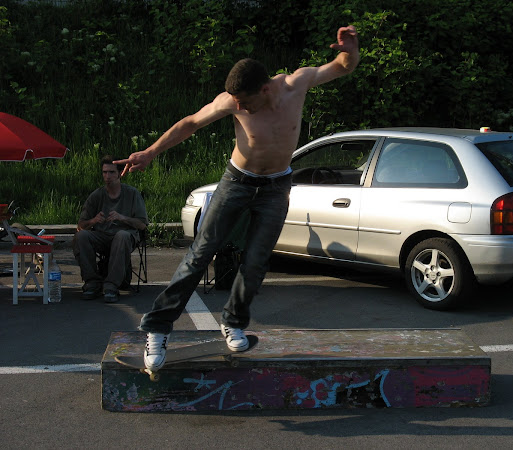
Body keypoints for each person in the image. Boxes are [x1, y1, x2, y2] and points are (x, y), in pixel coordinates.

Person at [115, 25, 359, 371]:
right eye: (236, 103)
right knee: (200, 254)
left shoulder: (298, 83)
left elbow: (342, 66)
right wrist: (152, 152)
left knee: (257, 261)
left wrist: (349, 49)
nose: (239, 108)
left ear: (265, 88)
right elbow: (190, 123)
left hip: (276, 188)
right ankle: (157, 328)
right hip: (237, 182)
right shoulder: (232, 101)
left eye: (245, 102)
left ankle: (233, 322)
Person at [73, 155, 148, 303]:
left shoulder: (132, 194)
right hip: (102, 236)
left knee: (122, 235)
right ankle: (92, 282)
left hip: (125, 237)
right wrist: (93, 220)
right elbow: (80, 226)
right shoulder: (96, 196)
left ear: (120, 173)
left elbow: (142, 224)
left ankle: (111, 286)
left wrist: (122, 218)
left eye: (111, 172)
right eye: (105, 172)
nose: (107, 176)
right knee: (81, 236)